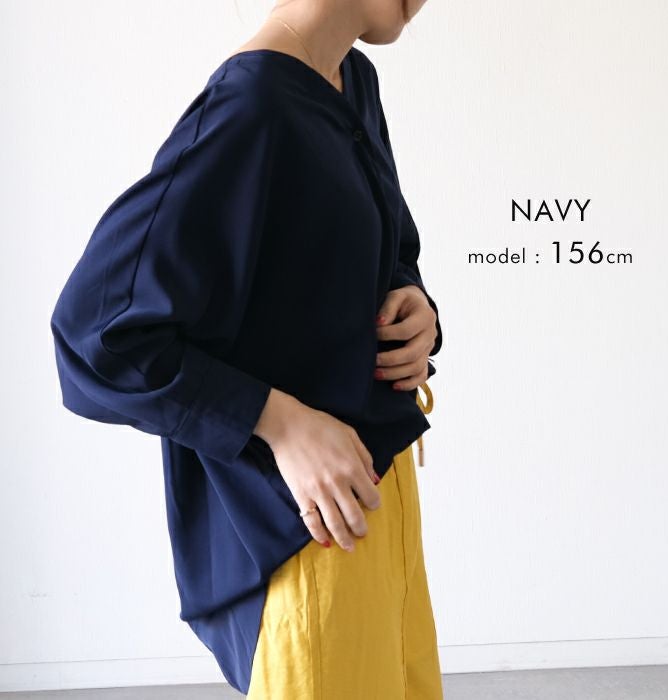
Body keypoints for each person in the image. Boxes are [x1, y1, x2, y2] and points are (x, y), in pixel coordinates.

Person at [49, 0, 444, 697]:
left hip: (380, 503)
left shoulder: (350, 80)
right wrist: (280, 422)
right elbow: (96, 331)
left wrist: (414, 303)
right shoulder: (252, 107)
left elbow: (383, 250)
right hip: (310, 533)